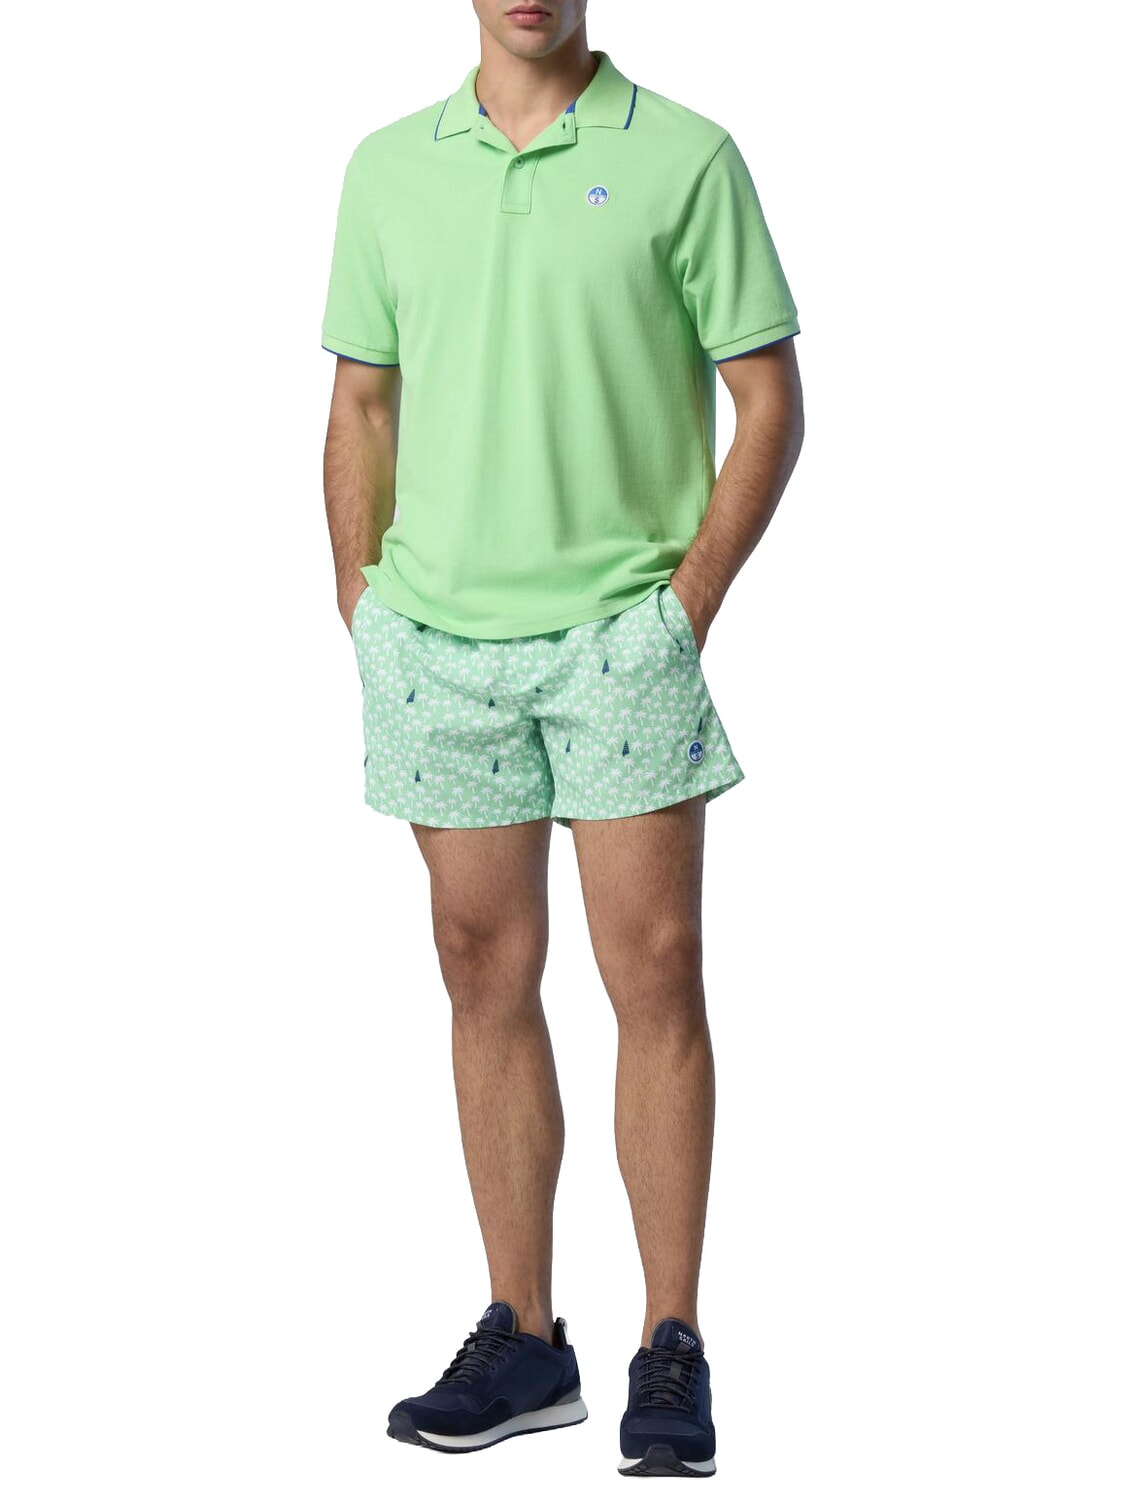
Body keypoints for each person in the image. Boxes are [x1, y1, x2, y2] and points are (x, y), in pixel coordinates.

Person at [320, 0, 803, 1479]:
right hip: (436, 642)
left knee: (654, 970)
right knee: (481, 972)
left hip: (618, 637)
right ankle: (525, 1339)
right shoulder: (388, 166)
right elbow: (362, 403)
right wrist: (362, 606)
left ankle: (672, 1342)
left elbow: (768, 401)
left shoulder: (686, 157)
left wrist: (686, 605)